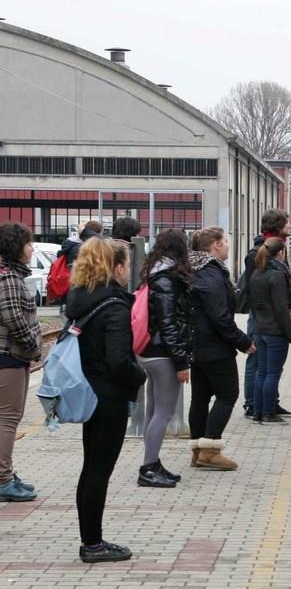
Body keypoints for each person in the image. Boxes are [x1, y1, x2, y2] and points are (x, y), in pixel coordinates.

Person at [66, 237, 146, 563]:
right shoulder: (114, 305)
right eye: (125, 264)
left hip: (87, 393)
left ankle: (90, 538)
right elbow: (117, 360)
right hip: (109, 398)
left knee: (91, 469)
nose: (128, 270)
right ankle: (93, 544)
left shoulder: (80, 299)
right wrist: (139, 378)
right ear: (115, 267)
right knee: (99, 471)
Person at [188, 226, 254, 470]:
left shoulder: (194, 271)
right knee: (227, 395)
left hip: (196, 345)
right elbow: (220, 318)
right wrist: (243, 341)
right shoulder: (213, 275)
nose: (228, 245)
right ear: (215, 245)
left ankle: (197, 450)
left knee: (200, 398)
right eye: (225, 241)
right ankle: (210, 450)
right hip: (215, 347)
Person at [136, 229, 191, 488]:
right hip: (163, 355)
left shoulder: (152, 274)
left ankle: (152, 462)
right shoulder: (168, 280)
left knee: (152, 410)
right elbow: (169, 323)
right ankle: (148, 468)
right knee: (164, 412)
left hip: (148, 351)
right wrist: (181, 362)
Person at [237, 208, 291, 420]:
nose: (290, 227)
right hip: (261, 315)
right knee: (257, 359)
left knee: (269, 364)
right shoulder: (258, 252)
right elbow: (255, 288)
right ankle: (253, 404)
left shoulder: (279, 248)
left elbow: (285, 284)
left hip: (271, 314)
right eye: (287, 223)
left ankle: (269, 402)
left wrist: (290, 307)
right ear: (279, 226)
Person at [0, 223, 41, 502]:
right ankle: (3, 479)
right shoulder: (9, 279)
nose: (32, 248)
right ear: (16, 247)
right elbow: (13, 317)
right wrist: (32, 345)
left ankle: (6, 473)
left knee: (7, 417)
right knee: (7, 419)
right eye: (28, 244)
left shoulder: (10, 275)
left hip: (13, 356)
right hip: (9, 356)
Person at [249, 237, 291, 425]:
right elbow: (280, 307)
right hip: (275, 331)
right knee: (273, 372)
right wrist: (290, 333)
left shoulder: (257, 274)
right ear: (281, 253)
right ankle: (269, 412)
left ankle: (258, 412)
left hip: (260, 329)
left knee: (261, 371)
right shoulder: (277, 275)